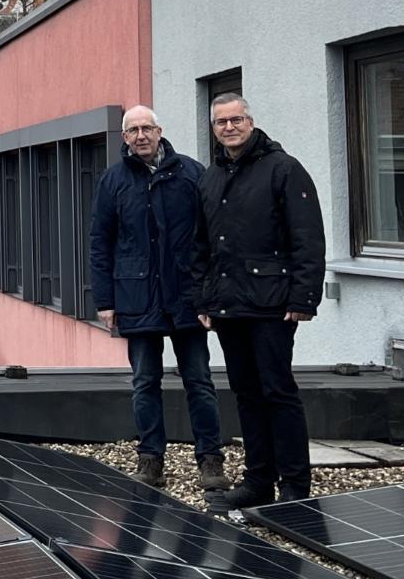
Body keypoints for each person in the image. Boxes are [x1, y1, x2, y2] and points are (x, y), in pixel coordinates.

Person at [193, 92, 325, 508]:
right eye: (221, 122)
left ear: (250, 121)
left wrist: (304, 297)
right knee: (246, 394)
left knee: (278, 392)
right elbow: (201, 246)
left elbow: (307, 238)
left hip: (272, 304)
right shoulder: (211, 177)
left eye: (236, 120)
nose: (229, 128)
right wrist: (204, 300)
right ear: (213, 128)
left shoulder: (283, 169)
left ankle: (294, 486)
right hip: (229, 307)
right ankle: (258, 481)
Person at [90, 105, 228, 492]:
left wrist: (210, 296)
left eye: (146, 128)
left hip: (186, 296)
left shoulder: (190, 173)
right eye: (132, 130)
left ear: (159, 130)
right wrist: (105, 300)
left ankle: (211, 460)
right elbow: (100, 242)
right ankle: (150, 460)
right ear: (124, 137)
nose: (140, 136)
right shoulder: (113, 180)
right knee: (144, 382)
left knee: (199, 381)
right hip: (136, 296)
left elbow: (209, 237)